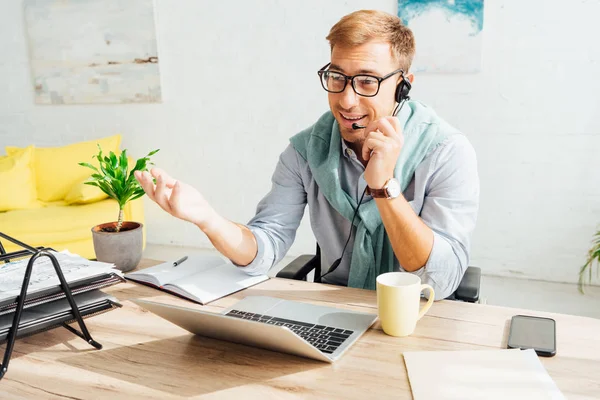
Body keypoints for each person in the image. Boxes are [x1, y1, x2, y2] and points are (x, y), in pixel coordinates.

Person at [135, 10, 479, 300]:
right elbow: (264, 250)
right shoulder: (304, 152)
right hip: (337, 310)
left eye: (368, 82)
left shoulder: (446, 152)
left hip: (419, 314)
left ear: (403, 85)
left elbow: (440, 279)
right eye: (337, 77)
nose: (346, 100)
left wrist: (385, 187)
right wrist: (206, 218)